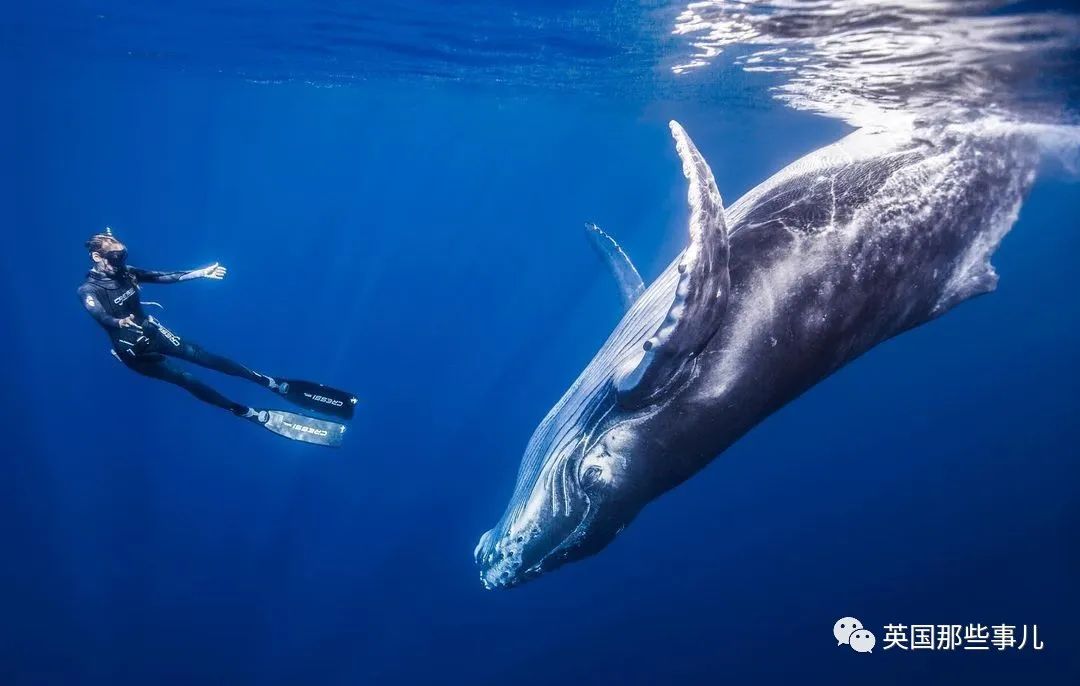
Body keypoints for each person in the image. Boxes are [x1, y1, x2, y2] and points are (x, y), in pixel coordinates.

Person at [78, 228, 355, 447]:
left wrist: (201, 273)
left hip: (152, 331)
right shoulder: (89, 290)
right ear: (97, 257)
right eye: (115, 257)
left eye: (123, 255)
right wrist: (118, 321)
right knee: (186, 379)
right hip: (133, 351)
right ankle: (244, 411)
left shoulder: (127, 273)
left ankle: (270, 383)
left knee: (204, 357)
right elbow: (99, 314)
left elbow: (163, 276)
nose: (121, 262)